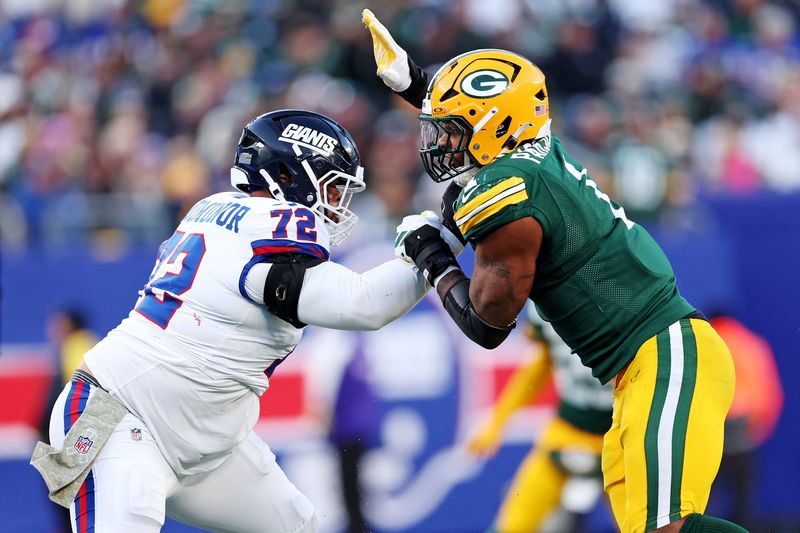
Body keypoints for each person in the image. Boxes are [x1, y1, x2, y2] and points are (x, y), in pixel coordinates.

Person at [362, 10, 748, 533]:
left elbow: (487, 325)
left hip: (665, 353)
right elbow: (487, 122)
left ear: (494, 129)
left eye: (449, 132)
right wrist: (417, 82)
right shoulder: (529, 151)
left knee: (670, 529)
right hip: (636, 370)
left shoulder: (510, 197)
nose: (437, 143)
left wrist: (431, 255)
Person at [32, 109, 462, 533]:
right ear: (290, 177)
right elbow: (365, 304)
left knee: (297, 526)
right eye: (331, 188)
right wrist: (445, 239)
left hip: (210, 444)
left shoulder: (218, 209)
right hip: (121, 417)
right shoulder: (268, 230)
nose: (337, 204)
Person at [466, 306, 614, 533]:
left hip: (622, 435)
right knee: (514, 525)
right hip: (568, 428)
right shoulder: (542, 304)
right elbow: (545, 358)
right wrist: (498, 420)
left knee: (645, 524)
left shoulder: (620, 294)